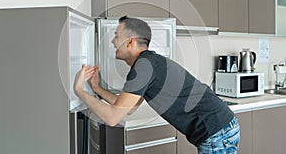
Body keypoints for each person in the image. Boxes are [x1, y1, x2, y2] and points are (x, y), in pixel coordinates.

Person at [74, 16, 240, 154]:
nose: (112, 41)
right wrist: (96, 89)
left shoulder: (144, 67)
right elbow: (128, 108)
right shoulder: (148, 62)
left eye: (116, 36)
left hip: (217, 132)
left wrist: (79, 91)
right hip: (220, 127)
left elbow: (112, 117)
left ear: (130, 42)